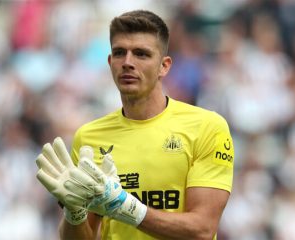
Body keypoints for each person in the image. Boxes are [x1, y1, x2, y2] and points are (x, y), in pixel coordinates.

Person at [36, 10, 234, 240]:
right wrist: (74, 212)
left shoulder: (207, 127)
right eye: (120, 53)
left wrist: (124, 206)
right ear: (110, 63)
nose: (128, 63)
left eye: (141, 54)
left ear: (164, 66)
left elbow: (202, 229)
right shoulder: (89, 138)